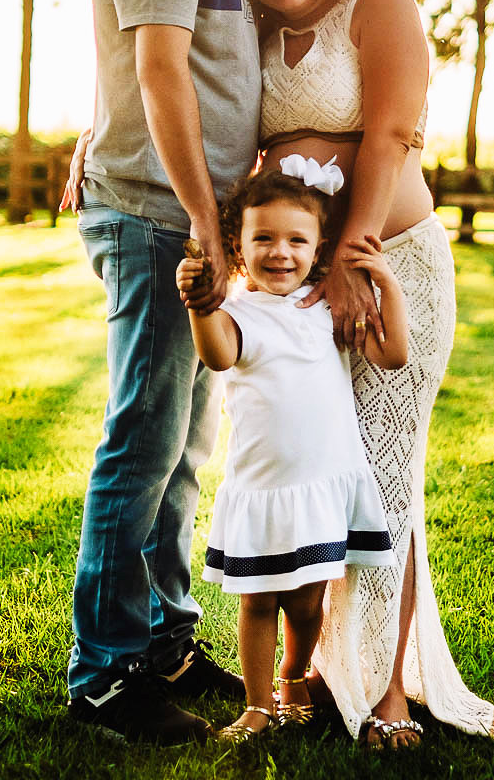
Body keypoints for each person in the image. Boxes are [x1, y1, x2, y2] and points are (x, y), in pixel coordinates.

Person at [219, 0, 494, 748]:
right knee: (314, 470)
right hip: (299, 286)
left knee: (384, 481)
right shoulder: (253, 38)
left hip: (390, 265)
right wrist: (98, 133)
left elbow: (388, 132)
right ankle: (313, 671)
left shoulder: (379, 8)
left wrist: (354, 255)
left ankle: (386, 690)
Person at [62, 0, 275, 745]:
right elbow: (156, 70)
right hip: (158, 216)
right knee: (143, 442)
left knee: (183, 448)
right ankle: (104, 674)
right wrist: (199, 214)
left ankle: (165, 641)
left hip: (189, 215)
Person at [175, 159, 410, 743]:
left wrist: (387, 283)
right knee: (258, 603)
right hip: (263, 488)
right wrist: (199, 303)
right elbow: (217, 356)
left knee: (306, 604)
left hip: (322, 486)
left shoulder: (327, 307)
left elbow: (394, 356)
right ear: (238, 245)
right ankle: (257, 706)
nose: (280, 252)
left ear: (318, 247)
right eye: (263, 238)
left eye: (296, 241)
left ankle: (294, 675)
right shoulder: (236, 313)